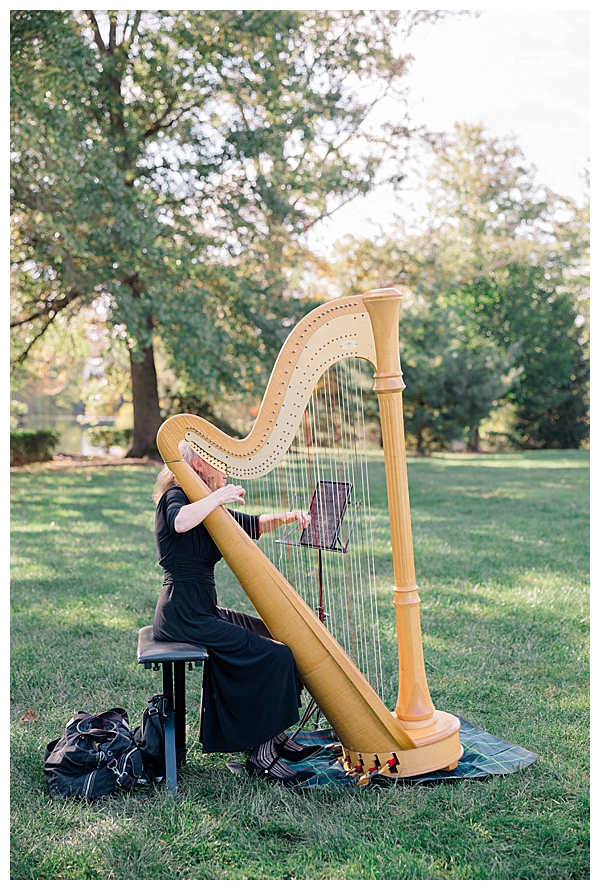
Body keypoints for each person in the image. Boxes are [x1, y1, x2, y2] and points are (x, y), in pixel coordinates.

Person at [152, 441, 320, 786]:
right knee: (274, 656)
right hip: (184, 616)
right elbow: (180, 523)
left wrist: (288, 517)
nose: (223, 468)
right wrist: (217, 497)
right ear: (197, 464)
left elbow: (253, 524)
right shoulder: (177, 496)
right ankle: (261, 753)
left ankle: (270, 737)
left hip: (202, 610)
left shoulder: (203, 502)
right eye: (217, 462)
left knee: (279, 639)